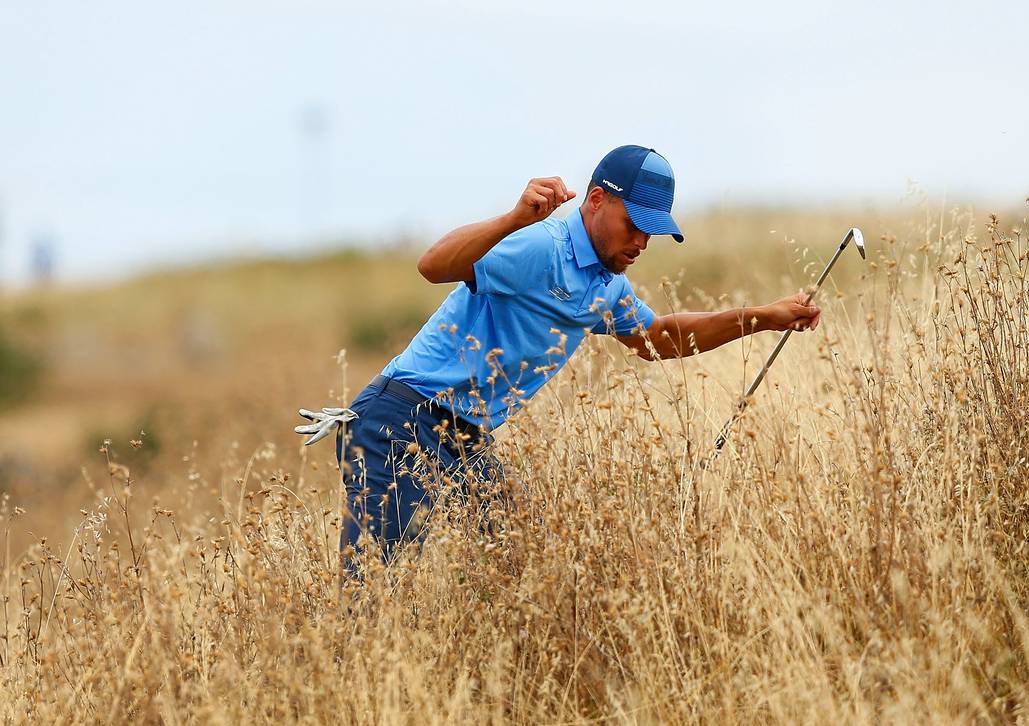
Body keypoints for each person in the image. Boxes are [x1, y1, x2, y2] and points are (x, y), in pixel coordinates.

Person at [315, 145, 823, 573]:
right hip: (400, 418)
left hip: (465, 439)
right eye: (634, 225)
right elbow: (433, 266)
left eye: (653, 231)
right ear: (597, 201)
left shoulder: (607, 285)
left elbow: (658, 339)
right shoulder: (540, 245)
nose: (642, 242)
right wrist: (514, 218)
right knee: (375, 586)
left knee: (516, 565)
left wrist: (762, 316)